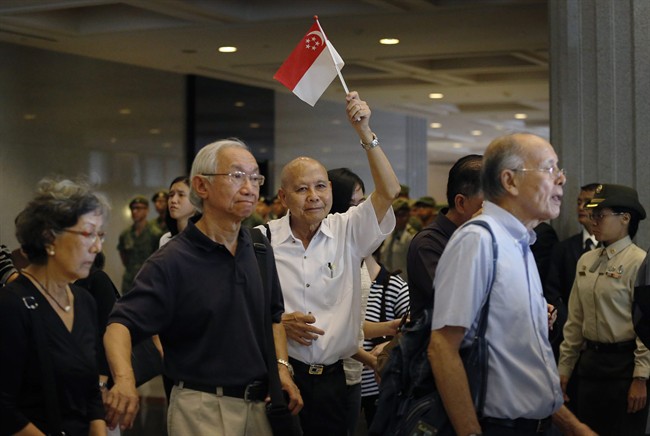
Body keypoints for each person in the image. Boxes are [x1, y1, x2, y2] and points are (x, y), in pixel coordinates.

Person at [103, 138, 302, 435]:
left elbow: (273, 319)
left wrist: (282, 370)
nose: (249, 187)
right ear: (202, 186)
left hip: (261, 405)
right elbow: (119, 325)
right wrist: (124, 380)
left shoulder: (259, 248)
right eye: (236, 176)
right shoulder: (172, 260)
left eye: (255, 177)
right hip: (202, 407)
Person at [428, 133, 595, 436]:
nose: (561, 179)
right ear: (510, 181)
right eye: (549, 168)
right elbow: (442, 347)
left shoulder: (519, 243)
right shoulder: (479, 240)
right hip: (496, 426)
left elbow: (521, 360)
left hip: (536, 424)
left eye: (560, 170)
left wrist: (573, 426)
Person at [258, 91, 399, 436]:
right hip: (279, 375)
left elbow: (388, 191)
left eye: (321, 186)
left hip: (334, 380)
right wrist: (276, 324)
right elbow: (242, 308)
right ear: (282, 197)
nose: (314, 196)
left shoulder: (348, 230)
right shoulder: (261, 240)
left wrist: (365, 132)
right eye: (302, 189)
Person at [0, 177, 109, 435]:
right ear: (49, 237)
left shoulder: (84, 302)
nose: (97, 247)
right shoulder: (11, 305)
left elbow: (91, 393)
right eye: (88, 233)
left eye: (100, 235)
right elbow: (3, 406)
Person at [558, 183, 649, 436]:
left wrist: (640, 378)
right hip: (590, 368)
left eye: (600, 214)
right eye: (592, 214)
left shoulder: (639, 262)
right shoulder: (586, 261)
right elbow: (575, 322)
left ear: (625, 219)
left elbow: (647, 328)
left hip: (625, 369)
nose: (592, 220)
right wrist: (564, 370)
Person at [407, 154, 483, 321]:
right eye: (487, 204)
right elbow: (457, 302)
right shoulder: (428, 244)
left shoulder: (486, 239)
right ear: (461, 203)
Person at [544, 183, 599, 360]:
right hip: (569, 341)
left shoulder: (616, 249)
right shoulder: (563, 249)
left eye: (588, 202)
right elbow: (553, 292)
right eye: (579, 202)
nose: (581, 208)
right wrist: (571, 327)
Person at [117, 195, 162, 294]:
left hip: (149, 281)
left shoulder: (155, 233)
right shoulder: (126, 234)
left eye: (138, 208)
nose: (134, 211)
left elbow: (159, 258)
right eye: (133, 208)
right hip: (129, 282)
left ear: (146, 210)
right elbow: (123, 256)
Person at [159, 176, 198, 247]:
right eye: (171, 195)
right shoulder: (166, 240)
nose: (173, 200)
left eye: (181, 195)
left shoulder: (205, 240)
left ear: (196, 201)